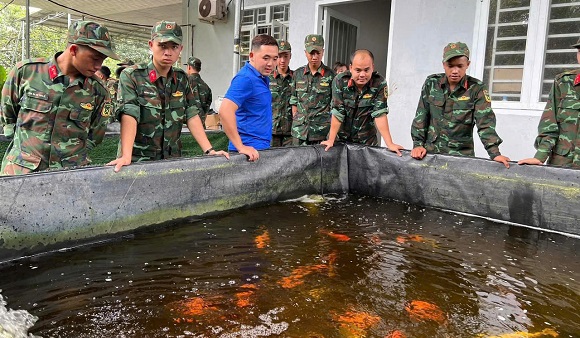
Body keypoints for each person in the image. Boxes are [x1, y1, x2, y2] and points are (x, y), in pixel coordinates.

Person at [0, 20, 119, 176]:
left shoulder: (98, 91)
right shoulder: (27, 72)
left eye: (102, 60)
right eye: (95, 58)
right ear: (74, 50)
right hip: (22, 171)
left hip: (70, 174)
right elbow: (8, 112)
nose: (99, 66)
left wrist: (71, 156)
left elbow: (96, 134)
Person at [106, 21, 228, 172]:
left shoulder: (182, 78)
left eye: (174, 47)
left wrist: (209, 150)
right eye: (162, 46)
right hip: (139, 160)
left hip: (172, 161)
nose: (168, 52)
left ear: (180, 49)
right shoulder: (132, 76)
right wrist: (126, 155)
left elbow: (191, 114)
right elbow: (129, 114)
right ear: (151, 45)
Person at [410, 42, 510, 168]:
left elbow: (485, 123)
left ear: (468, 65)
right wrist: (417, 144)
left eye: (460, 66)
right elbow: (421, 115)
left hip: (461, 157)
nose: (455, 71)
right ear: (443, 65)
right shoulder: (431, 83)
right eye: (450, 66)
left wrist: (494, 153)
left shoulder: (477, 89)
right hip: (430, 154)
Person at [321, 49, 403, 155]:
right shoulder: (340, 81)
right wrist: (331, 140)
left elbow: (379, 114)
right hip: (341, 142)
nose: (362, 75)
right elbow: (338, 112)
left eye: (366, 70)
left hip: (367, 143)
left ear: (372, 67)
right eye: (358, 70)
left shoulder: (379, 83)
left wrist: (389, 143)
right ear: (351, 68)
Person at [518, 38, 580, 168]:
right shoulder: (563, 82)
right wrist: (540, 156)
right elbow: (549, 125)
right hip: (562, 165)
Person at [219, 34, 279, 161]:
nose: (271, 64)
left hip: (259, 148)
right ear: (251, 56)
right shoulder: (246, 78)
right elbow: (225, 111)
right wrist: (241, 147)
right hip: (247, 154)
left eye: (275, 59)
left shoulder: (261, 77)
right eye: (266, 58)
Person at [290, 34, 336, 145]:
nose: (314, 57)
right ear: (305, 52)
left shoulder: (331, 76)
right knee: (298, 162)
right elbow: (294, 99)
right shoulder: (298, 74)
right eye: (311, 53)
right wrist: (296, 118)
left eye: (318, 53)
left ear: (323, 52)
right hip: (299, 132)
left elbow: (334, 104)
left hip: (321, 133)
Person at [269, 39, 293, 147]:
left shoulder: (297, 78)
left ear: (290, 56)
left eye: (285, 56)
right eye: (279, 56)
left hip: (291, 132)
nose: (282, 60)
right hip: (271, 130)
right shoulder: (267, 78)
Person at [185, 56, 212, 128]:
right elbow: (206, 111)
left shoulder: (185, 81)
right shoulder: (206, 87)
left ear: (189, 67)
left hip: (186, 125)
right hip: (200, 127)